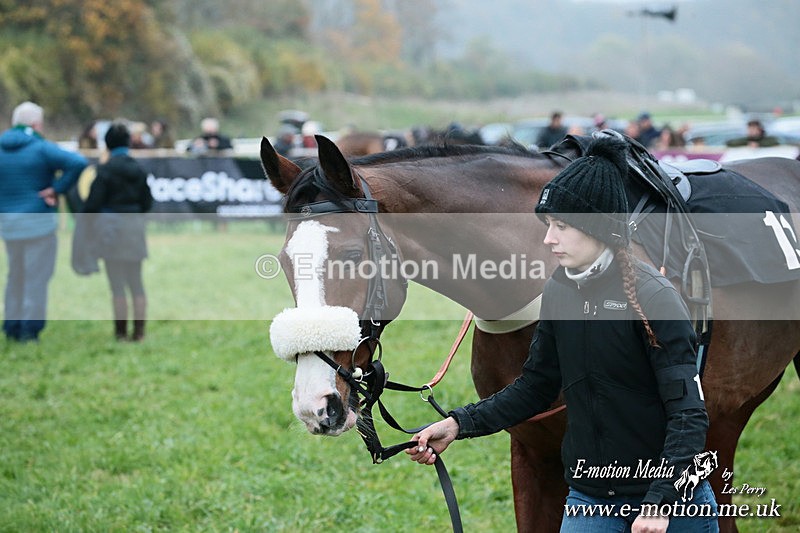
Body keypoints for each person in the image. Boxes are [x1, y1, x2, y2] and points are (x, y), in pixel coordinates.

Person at [407, 136, 717, 533]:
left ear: (599, 229)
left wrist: (660, 502)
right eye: (548, 225)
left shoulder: (655, 297)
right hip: (590, 499)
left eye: (562, 226)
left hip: (671, 504)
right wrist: (457, 424)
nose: (548, 238)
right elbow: (535, 386)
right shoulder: (558, 289)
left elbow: (689, 415)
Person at [0, 101, 88, 342]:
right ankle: (29, 330)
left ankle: (12, 326)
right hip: (38, 225)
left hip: (9, 225)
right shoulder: (40, 148)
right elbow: (78, 162)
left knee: (15, 276)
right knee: (36, 278)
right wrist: (56, 189)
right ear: (36, 124)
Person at [82, 122, 153, 341]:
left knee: (117, 286)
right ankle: (139, 333)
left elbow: (92, 205)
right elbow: (147, 203)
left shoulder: (105, 171)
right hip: (134, 230)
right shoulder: (139, 170)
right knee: (137, 284)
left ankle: (120, 334)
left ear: (108, 144)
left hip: (111, 231)